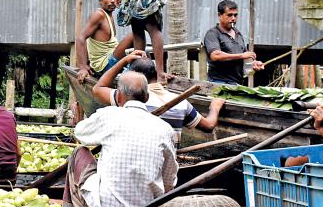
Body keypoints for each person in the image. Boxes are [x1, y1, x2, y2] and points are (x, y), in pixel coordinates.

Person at [61, 71, 177, 207]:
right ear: (146, 98)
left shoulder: (108, 115)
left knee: (79, 152)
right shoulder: (165, 128)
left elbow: (79, 132)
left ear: (119, 96)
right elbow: (169, 182)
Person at [92, 50, 225, 145]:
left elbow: (98, 88)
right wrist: (215, 107)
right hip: (167, 167)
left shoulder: (129, 98)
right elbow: (209, 126)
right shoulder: (182, 103)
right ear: (155, 74)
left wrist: (123, 61)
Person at [75, 0, 134, 82]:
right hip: (104, 66)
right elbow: (80, 38)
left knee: (141, 45)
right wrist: (83, 67)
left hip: (111, 60)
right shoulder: (99, 15)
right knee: (133, 35)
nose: (112, 1)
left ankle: (146, 70)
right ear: (101, 1)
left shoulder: (109, 16)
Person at [203, 0, 264, 85]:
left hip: (237, 83)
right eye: (229, 15)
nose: (233, 18)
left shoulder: (238, 34)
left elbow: (245, 62)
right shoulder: (213, 33)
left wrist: (254, 64)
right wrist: (241, 55)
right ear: (220, 15)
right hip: (219, 83)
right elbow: (215, 55)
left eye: (235, 15)